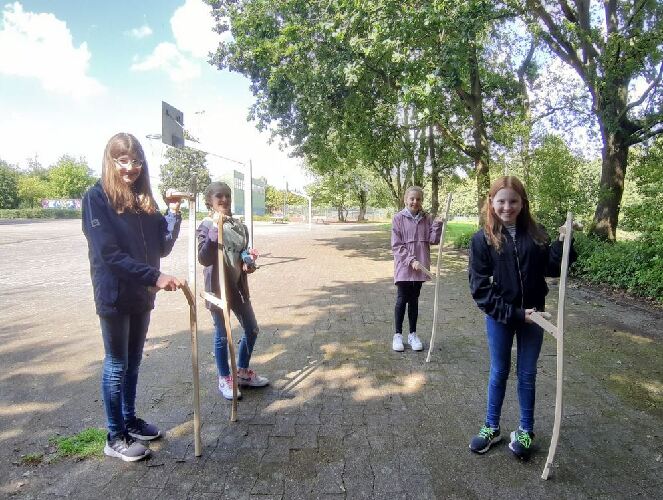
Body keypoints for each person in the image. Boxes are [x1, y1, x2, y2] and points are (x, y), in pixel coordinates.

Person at [82, 132, 184, 462]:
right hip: (114, 294)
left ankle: (129, 420)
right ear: (110, 162)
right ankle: (114, 437)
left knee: (134, 362)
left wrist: (173, 211)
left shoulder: (144, 201)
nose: (131, 168)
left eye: (136, 161)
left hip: (142, 293)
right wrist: (156, 276)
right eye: (123, 161)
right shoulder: (95, 198)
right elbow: (109, 255)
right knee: (116, 365)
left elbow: (162, 246)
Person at [468, 175, 576, 460]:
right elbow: (479, 289)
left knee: (527, 374)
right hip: (501, 317)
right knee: (499, 371)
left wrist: (563, 242)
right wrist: (515, 314)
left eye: (513, 201)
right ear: (491, 202)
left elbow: (552, 269)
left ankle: (526, 430)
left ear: (522, 203)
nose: (507, 207)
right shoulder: (482, 239)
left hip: (536, 315)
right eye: (501, 201)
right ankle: (492, 426)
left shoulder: (536, 233)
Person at [197, 182, 269, 401]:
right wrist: (214, 231)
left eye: (227, 196)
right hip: (218, 289)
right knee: (222, 335)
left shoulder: (239, 225)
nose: (225, 200)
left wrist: (249, 262)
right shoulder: (206, 224)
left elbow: (243, 254)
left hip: (238, 288)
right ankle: (224, 378)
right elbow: (204, 258)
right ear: (209, 200)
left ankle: (242, 371)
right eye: (219, 196)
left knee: (252, 329)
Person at [391, 186, 443, 352]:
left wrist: (437, 225)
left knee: (414, 300)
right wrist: (410, 260)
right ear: (406, 199)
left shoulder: (426, 218)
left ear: (421, 201)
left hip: (421, 267)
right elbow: (396, 245)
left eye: (418, 199)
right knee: (402, 299)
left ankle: (412, 334)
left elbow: (433, 240)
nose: (415, 202)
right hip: (404, 267)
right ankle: (397, 335)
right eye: (412, 199)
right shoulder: (398, 218)